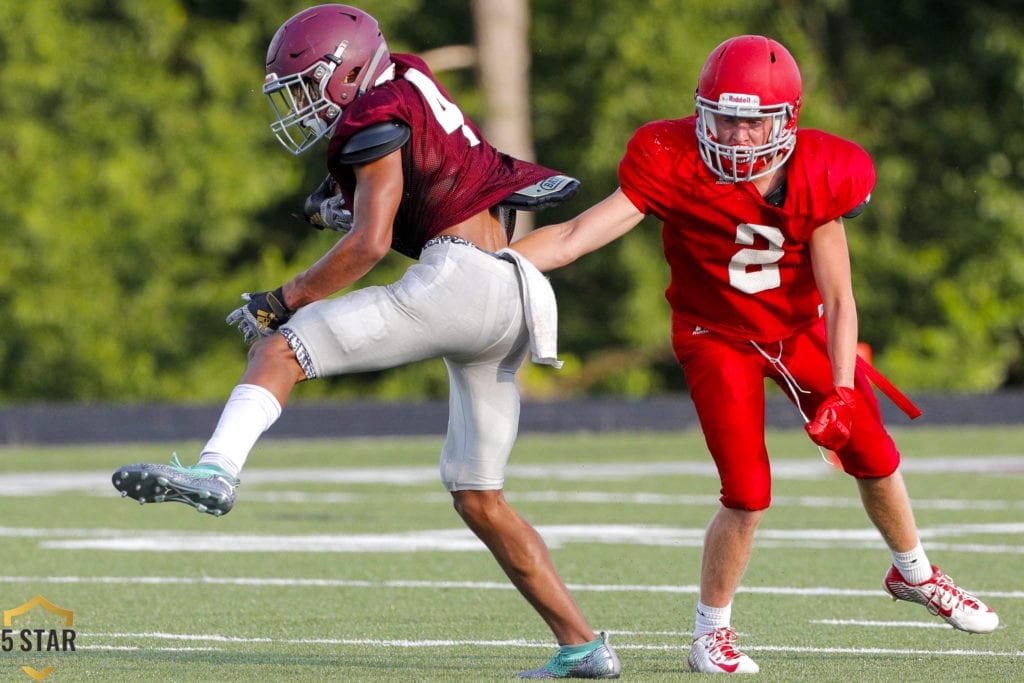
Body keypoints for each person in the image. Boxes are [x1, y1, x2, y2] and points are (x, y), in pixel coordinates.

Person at [111, 5, 620, 679]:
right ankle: (584, 646)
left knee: (282, 344)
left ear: (348, 71)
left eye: (306, 86)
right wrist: (343, 193)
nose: (299, 105)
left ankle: (216, 469)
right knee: (479, 497)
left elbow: (371, 243)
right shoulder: (408, 78)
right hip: (512, 290)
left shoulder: (373, 112)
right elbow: (431, 177)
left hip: (460, 280)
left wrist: (285, 296)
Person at [510, 34, 999, 674]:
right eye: (726, 118)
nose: (739, 136)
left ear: (786, 120)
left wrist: (846, 391)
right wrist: (494, 265)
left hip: (799, 329)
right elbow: (575, 237)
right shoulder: (669, 156)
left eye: (753, 120)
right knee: (747, 492)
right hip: (715, 336)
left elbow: (840, 297)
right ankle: (709, 633)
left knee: (874, 453)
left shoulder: (823, 171)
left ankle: (914, 573)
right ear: (702, 112)